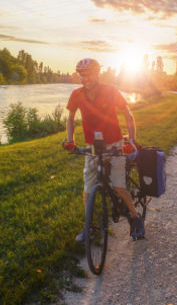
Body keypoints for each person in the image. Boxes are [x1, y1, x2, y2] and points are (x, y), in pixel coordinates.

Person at [63, 58, 145, 240]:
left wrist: (130, 140)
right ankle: (89, 227)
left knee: (118, 186)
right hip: (92, 147)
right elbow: (70, 119)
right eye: (81, 75)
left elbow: (127, 114)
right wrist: (70, 140)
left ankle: (134, 216)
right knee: (87, 188)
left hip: (115, 144)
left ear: (97, 74)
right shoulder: (76, 95)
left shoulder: (110, 91)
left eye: (88, 74)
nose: (85, 78)